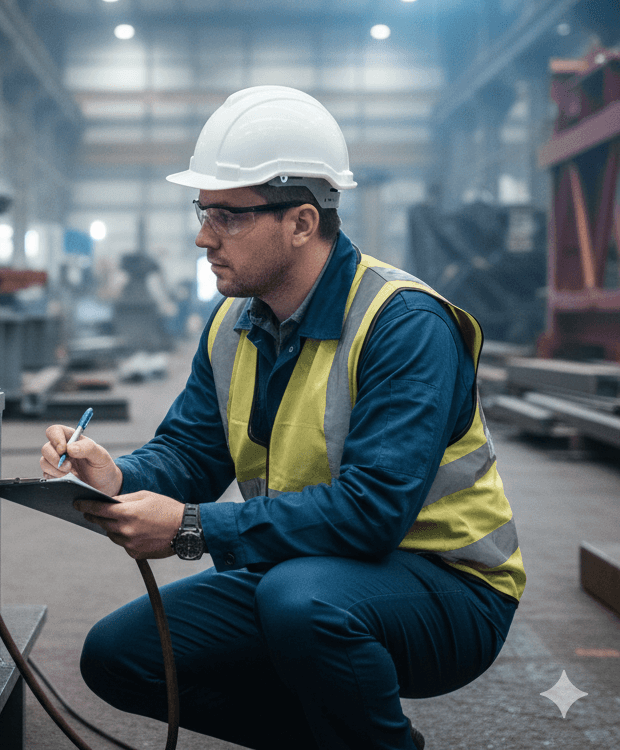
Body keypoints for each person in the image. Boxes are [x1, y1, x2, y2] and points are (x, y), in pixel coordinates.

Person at [40, 86, 524, 750]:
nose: (203, 236)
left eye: (228, 217)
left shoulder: (402, 324)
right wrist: (117, 475)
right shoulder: (232, 323)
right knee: (119, 656)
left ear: (300, 222)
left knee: (303, 604)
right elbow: (191, 454)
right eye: (202, 210)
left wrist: (188, 527)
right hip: (304, 566)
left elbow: (373, 511)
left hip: (448, 586)